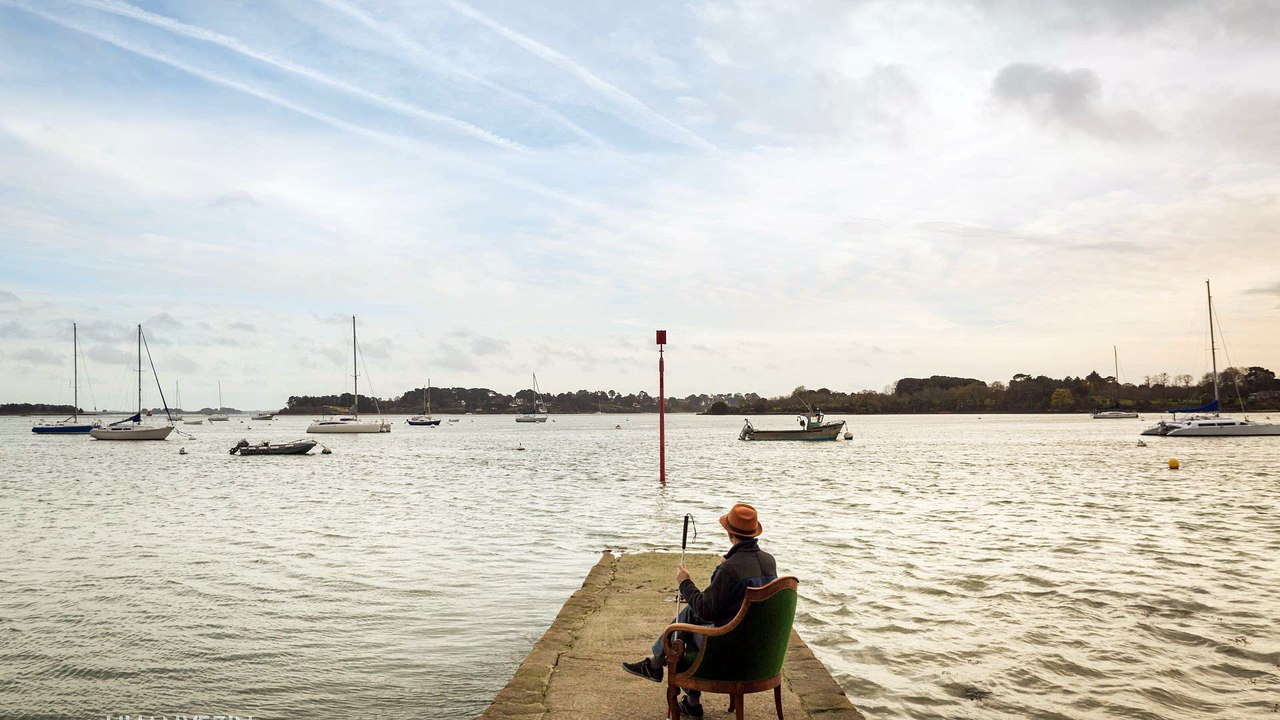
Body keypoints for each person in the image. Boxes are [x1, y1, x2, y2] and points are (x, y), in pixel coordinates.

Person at [622, 503, 778, 718]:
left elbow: (706, 610)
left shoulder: (729, 569)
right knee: (689, 616)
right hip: (757, 650)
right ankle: (684, 696)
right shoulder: (769, 561)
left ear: (730, 532)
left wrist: (685, 583)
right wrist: (725, 571)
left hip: (726, 650)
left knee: (680, 633)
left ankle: (659, 667)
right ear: (753, 533)